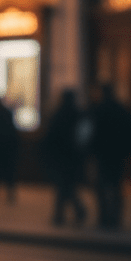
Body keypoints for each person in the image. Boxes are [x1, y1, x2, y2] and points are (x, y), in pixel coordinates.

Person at [89, 83, 131, 229]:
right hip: (117, 155)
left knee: (102, 186)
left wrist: (89, 151)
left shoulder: (98, 110)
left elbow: (90, 133)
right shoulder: (121, 110)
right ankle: (115, 218)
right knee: (115, 186)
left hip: (102, 155)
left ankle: (104, 217)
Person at [42, 89, 88, 226]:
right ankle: (69, 212)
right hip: (73, 157)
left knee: (64, 186)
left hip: (61, 157)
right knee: (66, 186)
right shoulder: (78, 115)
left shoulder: (58, 115)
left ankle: (63, 214)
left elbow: (51, 137)